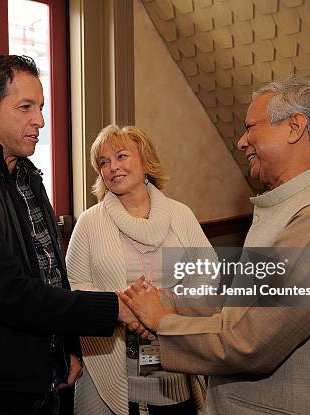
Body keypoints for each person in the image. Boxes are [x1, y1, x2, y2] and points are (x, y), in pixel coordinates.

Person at [118, 76, 310, 414]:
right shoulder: (293, 206)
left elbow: (249, 340)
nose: (242, 141)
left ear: (294, 128)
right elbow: (239, 297)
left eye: (251, 127)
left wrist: (161, 321)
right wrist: (162, 300)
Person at [0, 54, 144, 415]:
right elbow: (10, 294)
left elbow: (49, 271)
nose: (40, 120)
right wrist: (115, 307)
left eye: (40, 107)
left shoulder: (25, 175)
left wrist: (66, 346)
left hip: (39, 376)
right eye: (25, 107)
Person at [66, 125, 210, 415]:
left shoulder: (180, 215)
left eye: (121, 156)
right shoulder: (90, 222)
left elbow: (207, 275)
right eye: (104, 162)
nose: (112, 167)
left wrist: (161, 306)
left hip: (174, 370)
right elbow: (74, 287)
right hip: (110, 364)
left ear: (146, 162)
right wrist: (125, 309)